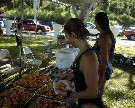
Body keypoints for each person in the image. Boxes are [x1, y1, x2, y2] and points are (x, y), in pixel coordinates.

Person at [63, 18, 103, 108]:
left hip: (90, 105)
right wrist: (70, 75)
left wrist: (69, 94)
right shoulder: (83, 52)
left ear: (73, 35)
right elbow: (83, 73)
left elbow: (92, 93)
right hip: (83, 103)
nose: (67, 40)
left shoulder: (88, 57)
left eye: (67, 37)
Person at [92, 12, 116, 97]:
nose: (95, 24)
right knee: (98, 94)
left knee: (97, 94)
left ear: (98, 22)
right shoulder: (108, 34)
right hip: (104, 68)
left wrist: (99, 80)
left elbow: (104, 62)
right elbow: (111, 54)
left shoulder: (104, 38)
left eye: (95, 22)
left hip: (101, 70)